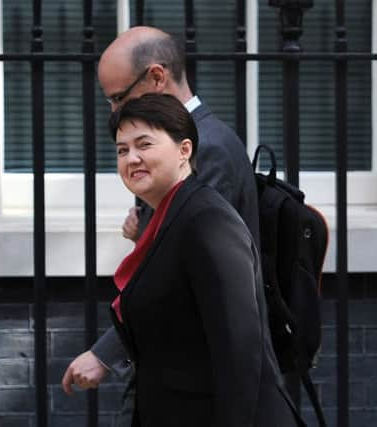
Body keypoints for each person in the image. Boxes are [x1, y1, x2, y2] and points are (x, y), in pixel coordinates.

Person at [62, 26, 261, 423]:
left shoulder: (209, 149)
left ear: (156, 77)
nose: (116, 112)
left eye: (120, 97)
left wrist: (105, 354)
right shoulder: (179, 143)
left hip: (196, 384)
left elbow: (189, 278)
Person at [105, 93, 301, 426]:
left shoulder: (208, 219)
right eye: (123, 150)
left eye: (144, 144)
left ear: (184, 150)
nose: (132, 158)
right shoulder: (170, 219)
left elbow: (240, 348)